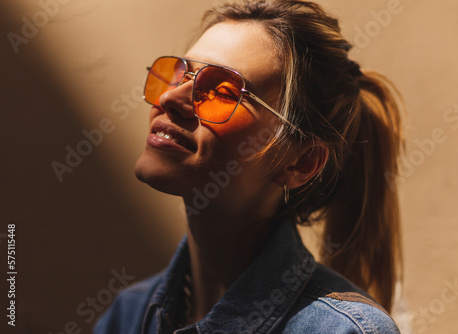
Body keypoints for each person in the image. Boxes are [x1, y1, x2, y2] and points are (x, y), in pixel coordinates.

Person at [94, 0, 405, 333]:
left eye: (222, 91)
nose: (170, 98)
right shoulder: (128, 315)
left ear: (301, 162)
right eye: (180, 74)